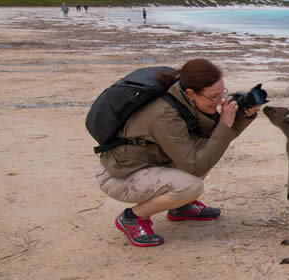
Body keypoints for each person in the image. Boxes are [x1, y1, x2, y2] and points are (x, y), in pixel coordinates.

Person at [95, 59, 260, 247]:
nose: (220, 101)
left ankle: (180, 207)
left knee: (205, 148)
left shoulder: (183, 100)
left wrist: (241, 118)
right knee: (191, 185)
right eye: (213, 97)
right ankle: (132, 218)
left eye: (221, 93)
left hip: (149, 164)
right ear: (191, 93)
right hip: (120, 176)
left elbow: (213, 141)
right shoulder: (164, 114)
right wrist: (224, 124)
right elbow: (196, 165)